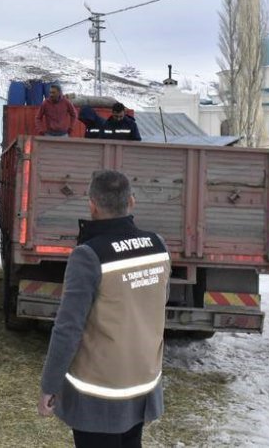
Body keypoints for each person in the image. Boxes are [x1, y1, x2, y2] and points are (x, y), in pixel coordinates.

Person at [38, 170, 170, 448]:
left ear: (92, 205)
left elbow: (68, 328)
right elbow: (156, 304)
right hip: (143, 381)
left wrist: (49, 385)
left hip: (99, 393)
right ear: (131, 202)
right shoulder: (158, 246)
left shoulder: (88, 255)